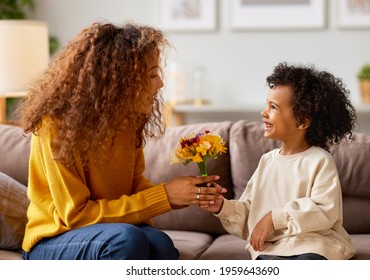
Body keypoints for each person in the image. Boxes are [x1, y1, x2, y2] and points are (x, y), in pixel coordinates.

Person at [16, 21, 225, 260]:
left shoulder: (127, 122)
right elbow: (75, 216)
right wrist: (164, 196)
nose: (161, 84)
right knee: (127, 239)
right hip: (54, 238)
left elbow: (133, 187)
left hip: (108, 231)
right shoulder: (54, 126)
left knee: (160, 244)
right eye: (152, 75)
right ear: (118, 81)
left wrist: (181, 194)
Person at [201, 62, 357, 260]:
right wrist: (222, 207)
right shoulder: (267, 161)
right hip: (270, 250)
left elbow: (324, 211)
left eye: (273, 107)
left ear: (303, 121)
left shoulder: (320, 161)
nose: (263, 112)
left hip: (313, 246)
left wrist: (275, 218)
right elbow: (250, 216)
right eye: (267, 105)